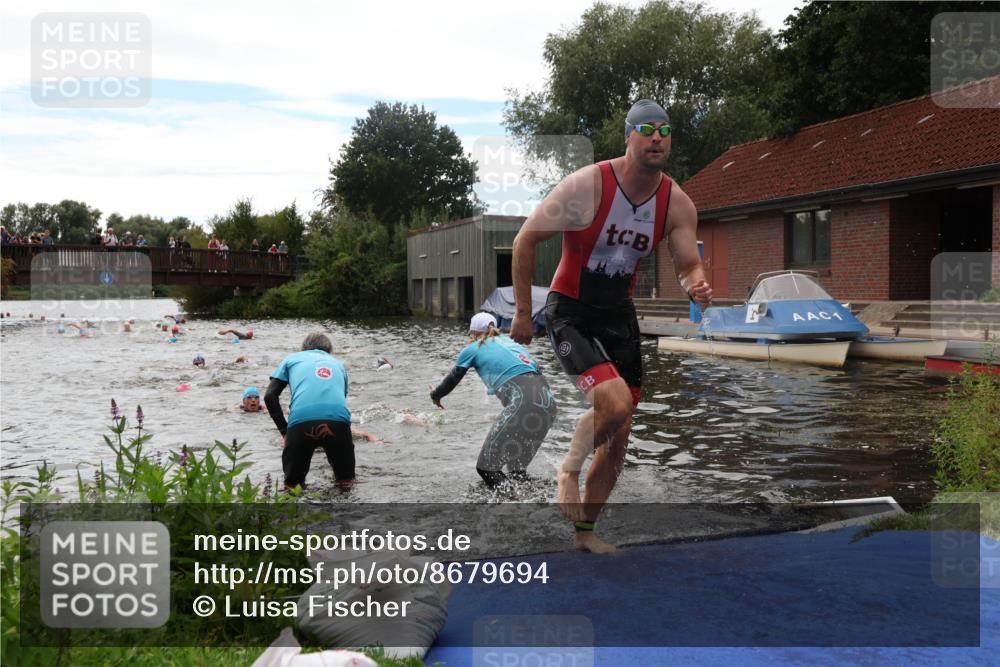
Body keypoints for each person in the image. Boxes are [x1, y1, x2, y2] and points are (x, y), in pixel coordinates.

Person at [510, 99, 712, 554]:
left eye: (665, 130)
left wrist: (695, 285)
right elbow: (526, 240)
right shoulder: (587, 185)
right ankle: (567, 470)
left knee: (619, 438)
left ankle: (585, 532)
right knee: (614, 403)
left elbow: (687, 264)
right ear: (628, 137)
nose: (657, 137)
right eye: (647, 129)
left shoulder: (676, 203)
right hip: (571, 310)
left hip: (619, 316)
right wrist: (523, 312)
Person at [430, 312, 557, 489]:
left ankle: (514, 500)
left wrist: (435, 395)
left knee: (486, 468)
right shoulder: (511, 343)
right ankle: (540, 499)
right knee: (516, 470)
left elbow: (451, 380)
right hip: (549, 405)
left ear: (473, 333)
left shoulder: (473, 348)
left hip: (524, 401)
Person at [264, 332, 378, 489]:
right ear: (329, 350)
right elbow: (339, 399)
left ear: (303, 349)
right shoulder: (338, 364)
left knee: (292, 486)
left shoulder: (291, 359)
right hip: (337, 421)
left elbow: (270, 396)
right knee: (346, 482)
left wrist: (285, 431)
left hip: (301, 421)